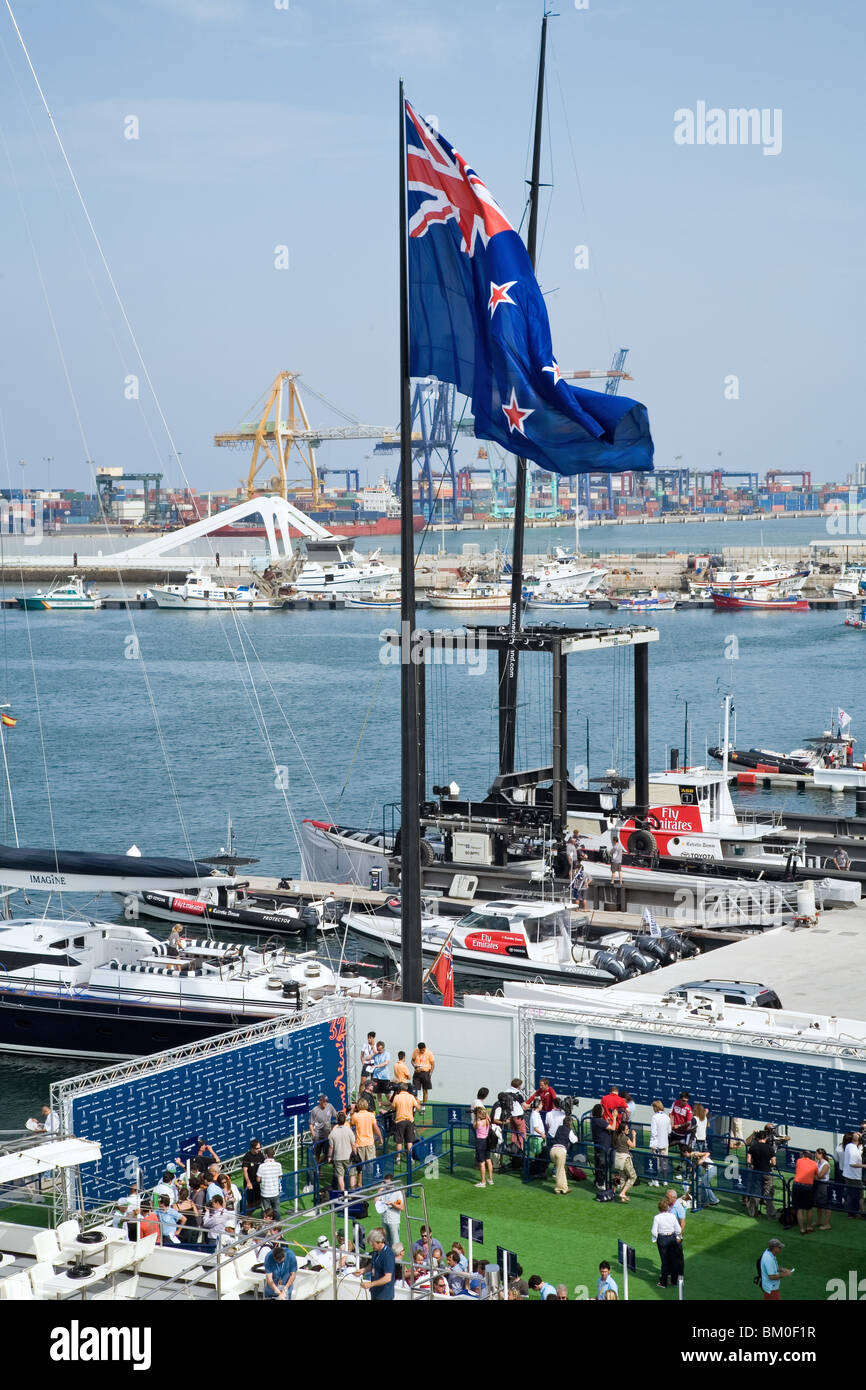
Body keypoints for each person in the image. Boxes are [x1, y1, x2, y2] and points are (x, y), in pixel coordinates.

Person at [652, 1197, 683, 1288]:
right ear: (667, 1207)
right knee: (673, 1259)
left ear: (659, 1208)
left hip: (662, 1239)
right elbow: (678, 1229)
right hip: (672, 1238)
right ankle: (674, 1281)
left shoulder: (657, 1217)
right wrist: (678, 1236)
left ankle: (663, 1282)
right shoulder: (672, 1216)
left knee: (665, 1261)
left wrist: (656, 1238)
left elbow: (654, 1231)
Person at [745, 1129, 777, 1219]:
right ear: (765, 1138)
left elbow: (748, 1160)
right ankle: (770, 1214)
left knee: (756, 1192)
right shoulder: (770, 1148)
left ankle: (752, 1212)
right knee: (768, 1194)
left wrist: (753, 1164)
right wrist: (769, 1165)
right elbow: (774, 1163)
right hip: (767, 1172)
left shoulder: (753, 1147)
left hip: (756, 1171)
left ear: (757, 1137)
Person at [360, 1228, 396, 1300]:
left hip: (384, 1295)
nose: (372, 1246)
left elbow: (387, 1278)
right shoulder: (375, 1252)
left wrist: (371, 1284)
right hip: (375, 1292)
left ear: (379, 1242)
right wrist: (363, 1270)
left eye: (373, 1244)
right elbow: (373, 1265)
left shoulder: (388, 1255)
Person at [329, 1111, 358, 1192]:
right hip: (349, 1157)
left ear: (337, 1120)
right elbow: (353, 1144)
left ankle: (343, 1192)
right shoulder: (349, 1131)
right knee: (352, 1174)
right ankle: (352, 1191)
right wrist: (355, 1154)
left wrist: (329, 1157)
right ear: (345, 1120)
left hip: (337, 1158)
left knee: (340, 1176)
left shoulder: (332, 1133)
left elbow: (331, 1147)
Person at [392, 1083, 421, 1162]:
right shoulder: (411, 1097)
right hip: (409, 1121)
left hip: (400, 1121)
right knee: (409, 1141)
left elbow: (392, 1107)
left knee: (399, 1141)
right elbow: (418, 1108)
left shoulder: (397, 1097)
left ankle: (398, 1158)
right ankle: (410, 1158)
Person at [350, 1098, 382, 1166]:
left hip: (360, 1143)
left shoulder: (355, 1116)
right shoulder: (371, 1115)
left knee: (360, 1166)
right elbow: (376, 1128)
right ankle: (370, 1176)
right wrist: (380, 1137)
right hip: (369, 1142)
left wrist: (352, 1110)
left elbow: (351, 1122)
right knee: (371, 1165)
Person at [590, 1103, 615, 1190]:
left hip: (599, 1146)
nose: (604, 1111)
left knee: (599, 1165)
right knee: (602, 1166)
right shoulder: (599, 1121)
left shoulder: (595, 1120)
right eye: (602, 1110)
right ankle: (600, 1183)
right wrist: (614, 1118)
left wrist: (606, 1123)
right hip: (602, 1147)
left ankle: (598, 1181)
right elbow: (613, 1128)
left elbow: (603, 1128)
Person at [792, 1150, 818, 1233]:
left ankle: (802, 1229)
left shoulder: (799, 1161)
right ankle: (809, 1226)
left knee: (799, 1208)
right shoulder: (814, 1163)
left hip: (797, 1184)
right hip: (808, 1186)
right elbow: (816, 1176)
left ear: (803, 1155)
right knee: (809, 1208)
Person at [612, 1116, 637, 1201]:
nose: (628, 1130)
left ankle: (619, 1194)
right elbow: (633, 1146)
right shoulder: (625, 1138)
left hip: (618, 1160)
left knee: (622, 1178)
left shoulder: (617, 1136)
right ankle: (622, 1193)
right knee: (633, 1177)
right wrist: (634, 1136)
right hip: (624, 1159)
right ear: (623, 1131)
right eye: (626, 1129)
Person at [374, 1175, 404, 1246]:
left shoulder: (397, 1192)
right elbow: (375, 1202)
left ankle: (395, 1256)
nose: (386, 1185)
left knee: (395, 1242)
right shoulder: (383, 1191)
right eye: (385, 1183)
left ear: (392, 1183)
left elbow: (401, 1207)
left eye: (388, 1183)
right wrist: (379, 1190)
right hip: (384, 1220)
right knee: (385, 1241)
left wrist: (392, 1204)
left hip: (393, 1221)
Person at [549, 1109, 573, 1195]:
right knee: (560, 1170)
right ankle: (558, 1189)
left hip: (552, 1150)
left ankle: (564, 1187)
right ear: (570, 1123)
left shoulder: (559, 1128)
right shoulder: (569, 1131)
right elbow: (574, 1140)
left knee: (561, 1169)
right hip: (561, 1151)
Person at [309, 1096, 337, 1167]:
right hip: (318, 1135)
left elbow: (337, 1116)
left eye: (327, 1101)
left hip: (327, 1135)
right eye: (324, 1102)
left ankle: (318, 1167)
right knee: (317, 1155)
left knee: (327, 1154)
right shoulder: (314, 1110)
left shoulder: (330, 1106)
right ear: (320, 1101)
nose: (326, 1103)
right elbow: (311, 1124)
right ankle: (317, 1171)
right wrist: (313, 1134)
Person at [649, 1100, 671, 1186]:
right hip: (665, 1143)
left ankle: (656, 1181)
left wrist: (653, 1144)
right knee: (664, 1163)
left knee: (655, 1163)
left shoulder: (654, 1117)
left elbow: (654, 1132)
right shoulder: (667, 1117)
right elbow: (669, 1131)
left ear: (655, 1107)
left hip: (656, 1144)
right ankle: (665, 1181)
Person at [841, 1131, 863, 1216]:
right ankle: (855, 1213)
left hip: (850, 1175)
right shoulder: (853, 1148)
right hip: (853, 1176)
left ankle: (856, 1212)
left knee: (853, 1194)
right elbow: (852, 1164)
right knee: (855, 1195)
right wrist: (864, 1166)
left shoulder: (850, 1146)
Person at [257, 1146, 283, 1220]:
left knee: (266, 1213)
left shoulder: (261, 1166)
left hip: (265, 1193)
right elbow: (280, 1176)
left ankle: (266, 1228)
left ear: (266, 1155)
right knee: (277, 1211)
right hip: (275, 1192)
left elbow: (258, 1179)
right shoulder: (278, 1165)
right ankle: (278, 1227)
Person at [473, 1105, 494, 1188]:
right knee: (488, 1160)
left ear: (479, 1114)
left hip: (480, 1142)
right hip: (487, 1141)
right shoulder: (487, 1121)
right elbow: (487, 1117)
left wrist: (475, 1118)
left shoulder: (478, 1122)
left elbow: (474, 1126)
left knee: (482, 1162)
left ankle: (483, 1182)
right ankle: (490, 1179)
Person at [241, 1137, 263, 1212]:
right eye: (257, 1148)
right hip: (249, 1184)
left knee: (258, 1201)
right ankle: (246, 1219)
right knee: (250, 1204)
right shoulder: (247, 1157)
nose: (259, 1149)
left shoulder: (260, 1154)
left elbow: (263, 1165)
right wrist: (248, 1182)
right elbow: (245, 1171)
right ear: (252, 1148)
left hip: (257, 1182)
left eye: (259, 1148)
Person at [505, 1078, 527, 1152]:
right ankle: (521, 1150)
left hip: (510, 1116)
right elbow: (525, 1106)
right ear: (518, 1086)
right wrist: (533, 1105)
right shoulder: (518, 1095)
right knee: (521, 1133)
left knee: (513, 1133)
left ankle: (513, 1149)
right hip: (518, 1116)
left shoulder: (506, 1092)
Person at [411, 1042, 435, 1106]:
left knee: (425, 1091)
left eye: (423, 1050)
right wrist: (415, 1066)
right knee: (414, 1090)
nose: (422, 1051)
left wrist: (430, 1074)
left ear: (425, 1048)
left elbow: (433, 1064)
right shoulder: (415, 1051)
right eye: (420, 1050)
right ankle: (415, 1105)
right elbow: (412, 1061)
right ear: (418, 1049)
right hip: (417, 1073)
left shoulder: (429, 1053)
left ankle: (423, 1106)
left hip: (426, 1073)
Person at [814, 1148, 832, 1231]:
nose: (815, 1155)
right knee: (818, 1204)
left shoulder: (825, 1164)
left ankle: (827, 1224)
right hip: (818, 1184)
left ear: (821, 1154)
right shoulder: (817, 1162)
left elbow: (820, 1176)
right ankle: (819, 1221)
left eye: (816, 1153)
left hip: (824, 1186)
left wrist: (814, 1176)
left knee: (825, 1205)